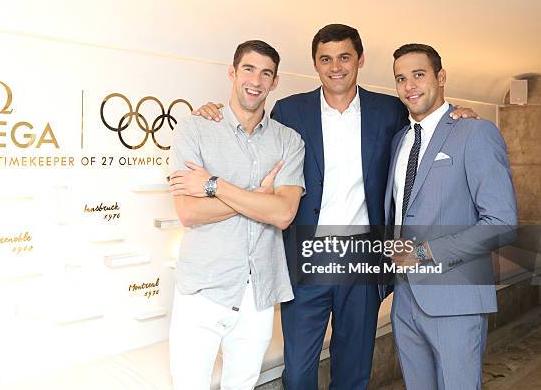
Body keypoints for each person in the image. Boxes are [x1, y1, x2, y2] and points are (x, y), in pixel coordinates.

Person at [194, 24, 479, 390]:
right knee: (298, 372)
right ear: (315, 64)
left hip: (363, 256)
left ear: (359, 59)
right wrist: (212, 113)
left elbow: (428, 123)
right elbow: (251, 134)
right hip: (307, 256)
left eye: (344, 57)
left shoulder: (389, 109)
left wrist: (459, 115)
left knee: (353, 369)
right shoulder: (290, 110)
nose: (336, 67)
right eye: (325, 59)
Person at [167, 40, 306, 390]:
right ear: (232, 72)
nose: (256, 80)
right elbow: (188, 212)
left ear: (275, 82)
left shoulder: (289, 141)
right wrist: (259, 197)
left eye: (266, 73)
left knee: (241, 384)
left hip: (257, 291)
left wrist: (214, 185)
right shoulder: (194, 129)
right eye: (248, 69)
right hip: (202, 287)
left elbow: (284, 212)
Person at [385, 43, 517, 389]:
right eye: (401, 78)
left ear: (440, 77)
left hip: (455, 297)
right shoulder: (399, 140)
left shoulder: (475, 132)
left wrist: (424, 253)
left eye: (419, 74)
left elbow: (501, 223)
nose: (410, 85)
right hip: (404, 299)